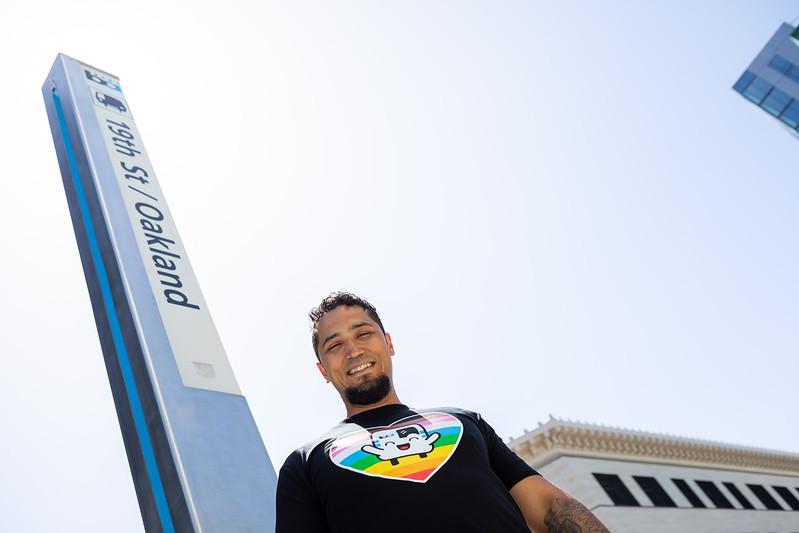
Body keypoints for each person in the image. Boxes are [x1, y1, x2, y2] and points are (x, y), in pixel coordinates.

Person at [275, 292, 609, 533]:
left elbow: (550, 507)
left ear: (388, 343)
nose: (353, 350)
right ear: (323, 370)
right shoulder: (306, 462)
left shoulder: (462, 422)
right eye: (334, 345)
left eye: (363, 333)